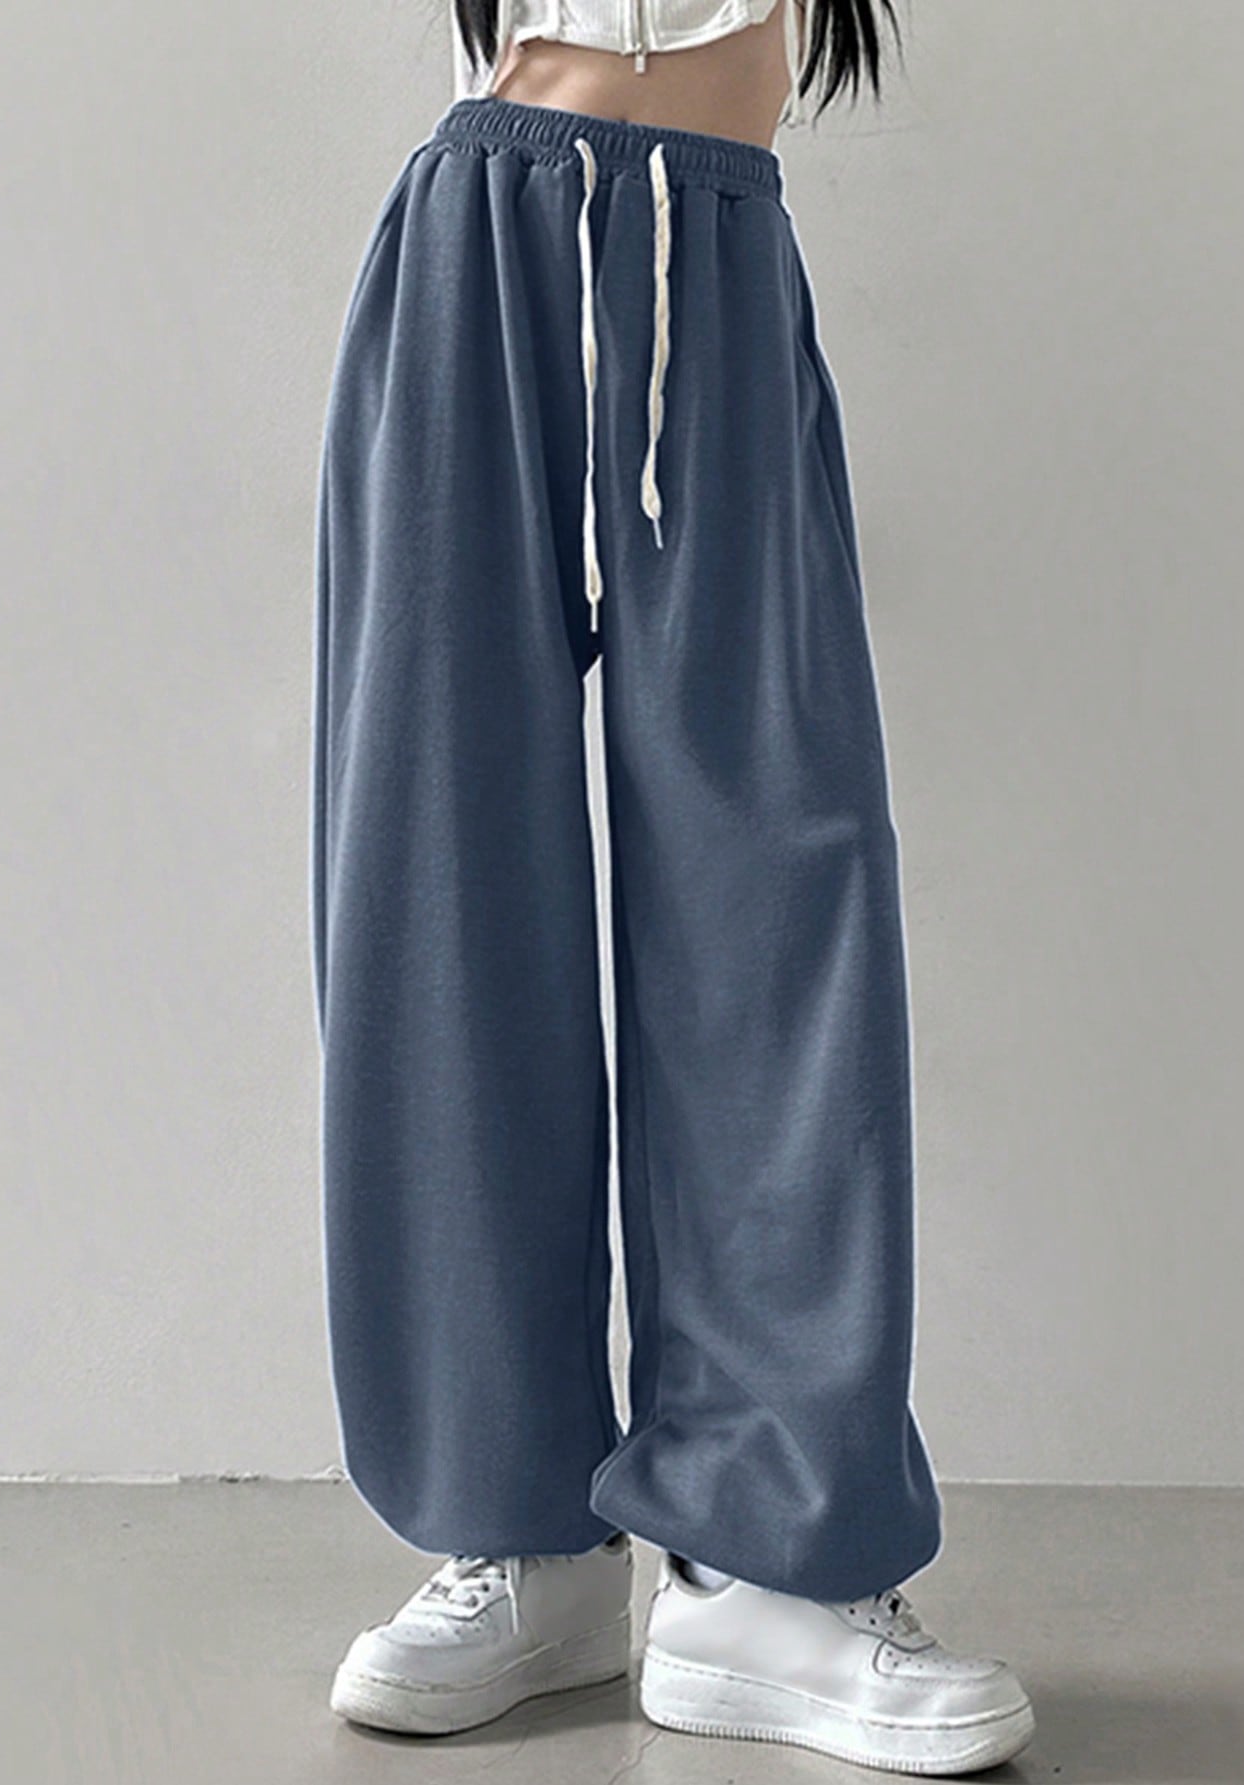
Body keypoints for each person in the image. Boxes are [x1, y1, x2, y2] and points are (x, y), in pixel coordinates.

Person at [310, 0, 1036, 1773]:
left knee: (778, 899)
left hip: (714, 257)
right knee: (446, 901)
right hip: (478, 245)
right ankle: (521, 1532)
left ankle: (767, 1567)